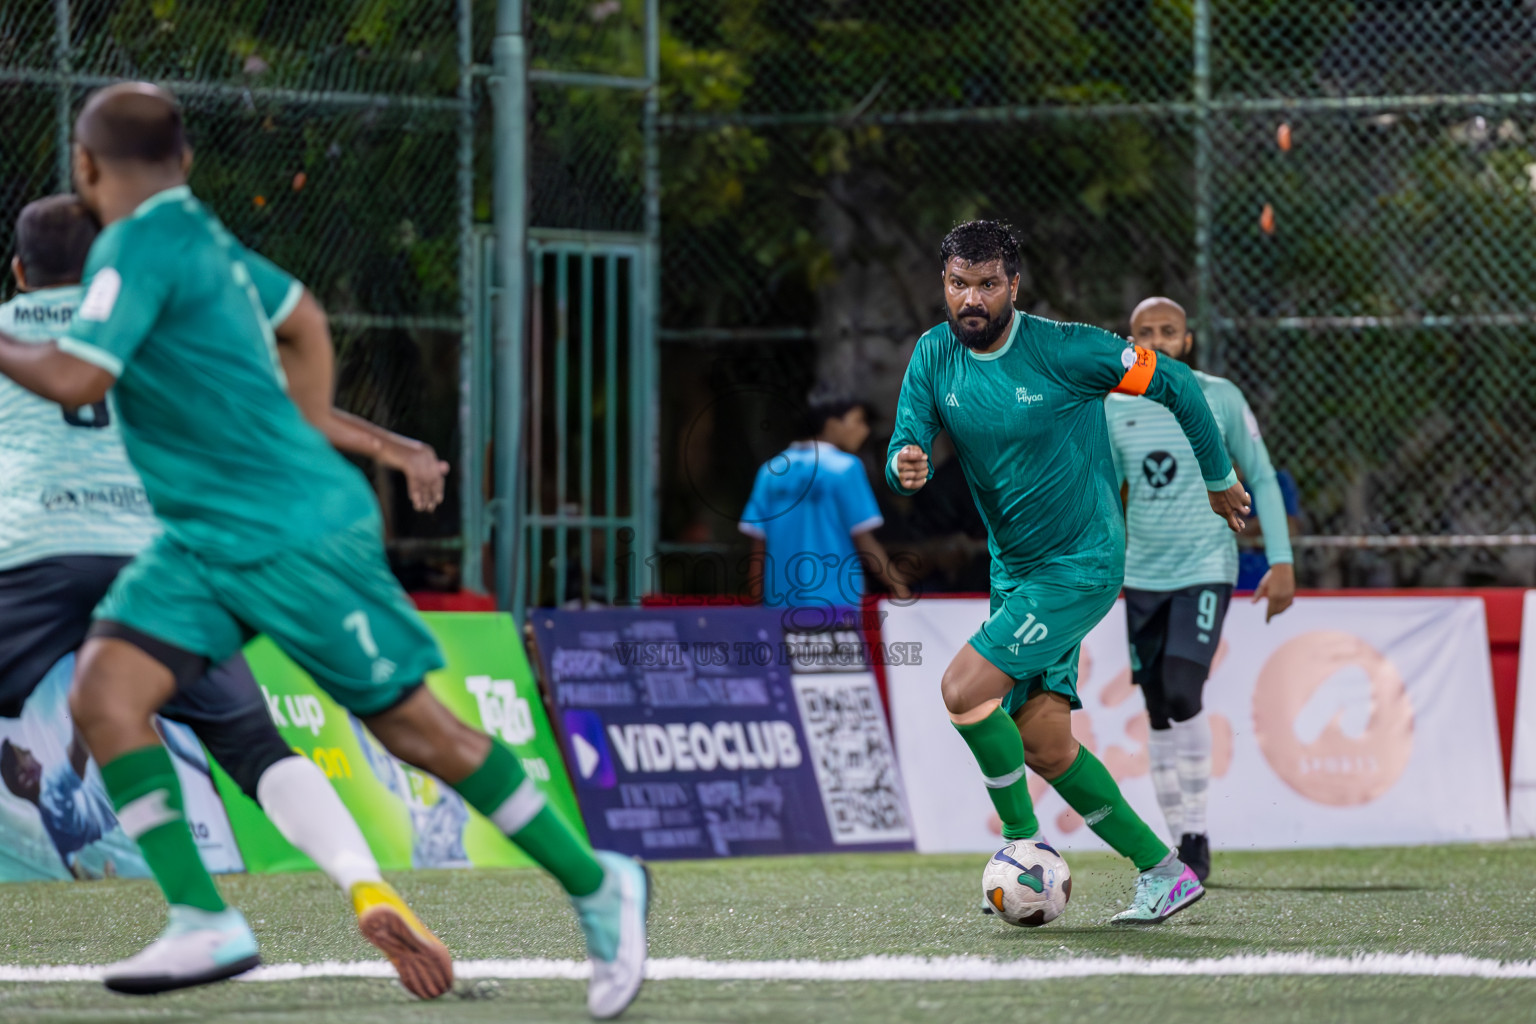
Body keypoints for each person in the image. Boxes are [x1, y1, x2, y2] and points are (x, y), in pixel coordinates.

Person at [0, 83, 648, 1018]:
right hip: (204, 535)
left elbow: (75, 376)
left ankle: (597, 884)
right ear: (183, 161)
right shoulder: (199, 238)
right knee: (108, 693)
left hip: (288, 533)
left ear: (87, 166)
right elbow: (301, 316)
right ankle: (203, 918)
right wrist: (301, 425)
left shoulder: (139, 244)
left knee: (418, 731)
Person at [0, 193, 452, 996]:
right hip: (159, 558)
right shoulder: (147, 323)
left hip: (31, 556)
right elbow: (280, 411)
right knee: (257, 749)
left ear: (18, 271)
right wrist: (397, 447)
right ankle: (364, 882)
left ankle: (201, 919)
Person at [888, 220, 1249, 924]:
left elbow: (1171, 380)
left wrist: (1218, 474)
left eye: (988, 284)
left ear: (1013, 286)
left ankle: (1022, 845)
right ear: (944, 283)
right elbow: (909, 441)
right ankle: (1164, 872)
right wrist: (908, 464)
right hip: (1014, 572)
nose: (972, 298)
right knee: (1046, 746)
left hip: (1080, 564)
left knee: (962, 690)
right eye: (959, 283)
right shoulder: (933, 356)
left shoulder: (1064, 349)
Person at [1107, 296, 1295, 881]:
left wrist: (1282, 560)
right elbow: (1107, 493)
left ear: (1187, 341)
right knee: (1158, 708)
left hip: (1205, 566)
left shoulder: (1219, 397)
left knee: (1183, 689)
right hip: (1141, 575)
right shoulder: (1112, 406)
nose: (1160, 340)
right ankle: (1178, 837)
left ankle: (1195, 835)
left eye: (1170, 331)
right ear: (1132, 342)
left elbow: (1260, 476)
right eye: (1147, 332)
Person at [740, 390, 910, 617]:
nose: (865, 430)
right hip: (836, 604)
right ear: (832, 424)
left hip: (779, 606)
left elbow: (758, 546)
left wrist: (756, 604)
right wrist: (899, 587)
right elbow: (864, 541)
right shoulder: (845, 468)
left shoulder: (770, 471)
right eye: (858, 421)